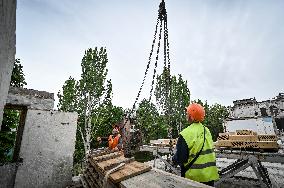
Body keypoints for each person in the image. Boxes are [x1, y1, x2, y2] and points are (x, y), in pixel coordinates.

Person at [172, 103, 219, 186]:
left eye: (187, 114)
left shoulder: (185, 133)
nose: (186, 115)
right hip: (209, 176)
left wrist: (173, 159)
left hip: (194, 178)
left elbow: (181, 158)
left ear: (191, 116)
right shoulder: (206, 130)